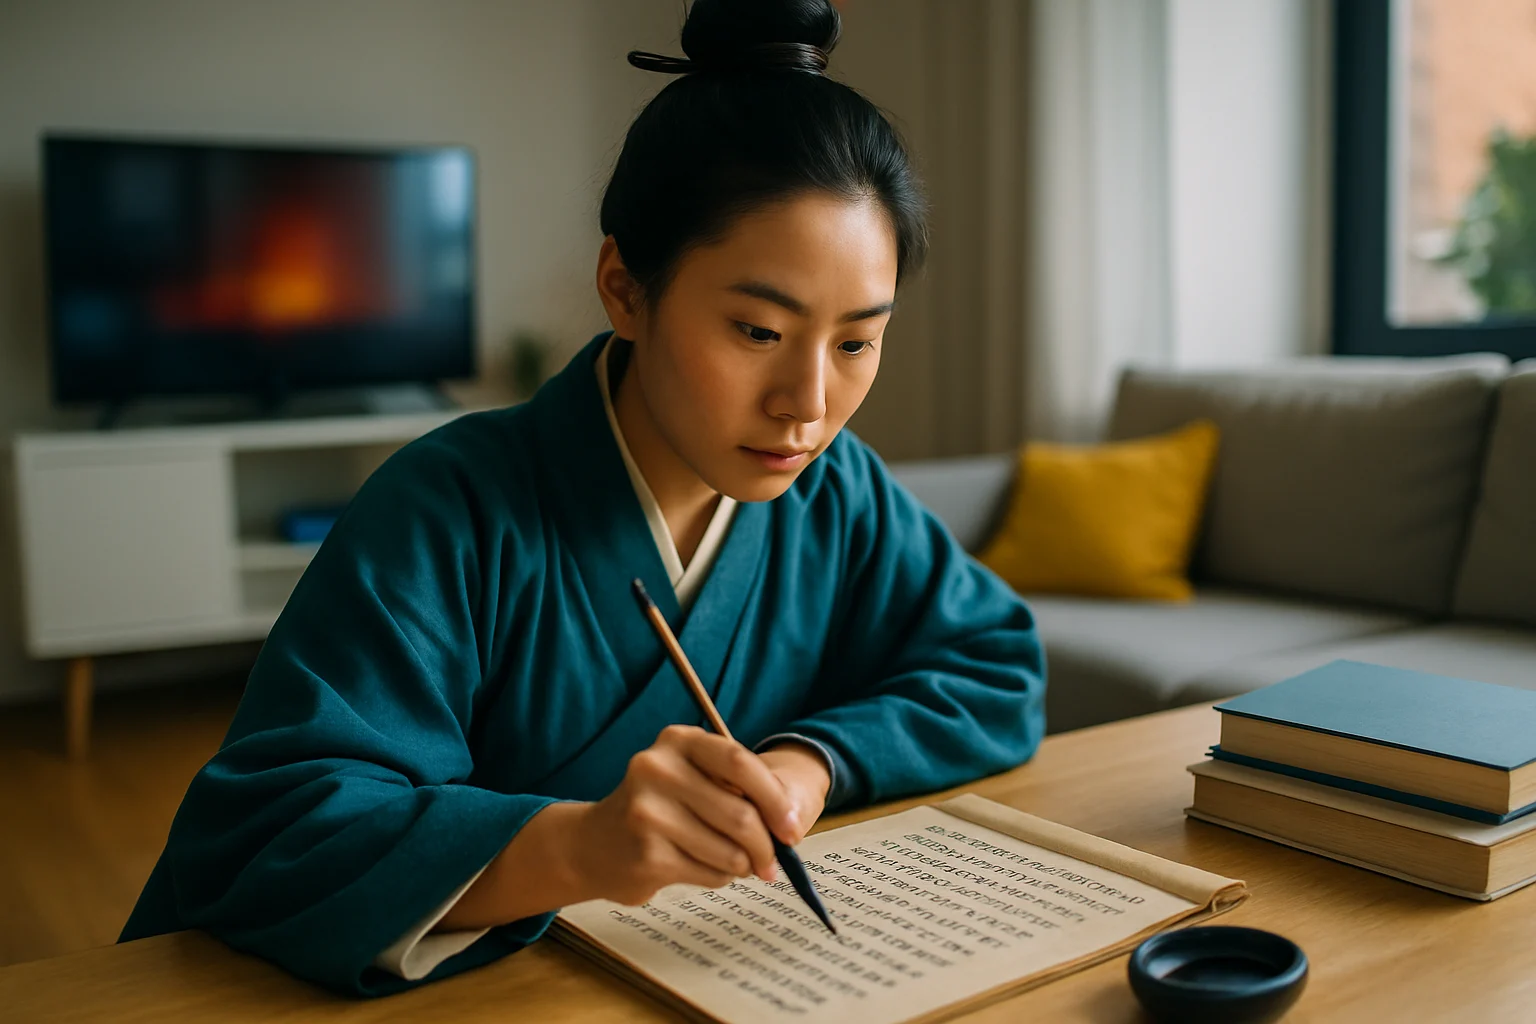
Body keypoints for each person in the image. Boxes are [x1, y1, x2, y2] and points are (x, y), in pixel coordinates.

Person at [120, 0, 1046, 996]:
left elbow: (995, 665)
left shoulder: (838, 492)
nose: (808, 406)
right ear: (624, 286)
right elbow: (276, 832)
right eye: (758, 331)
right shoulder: (448, 510)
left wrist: (805, 764)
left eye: (857, 340)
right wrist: (581, 847)